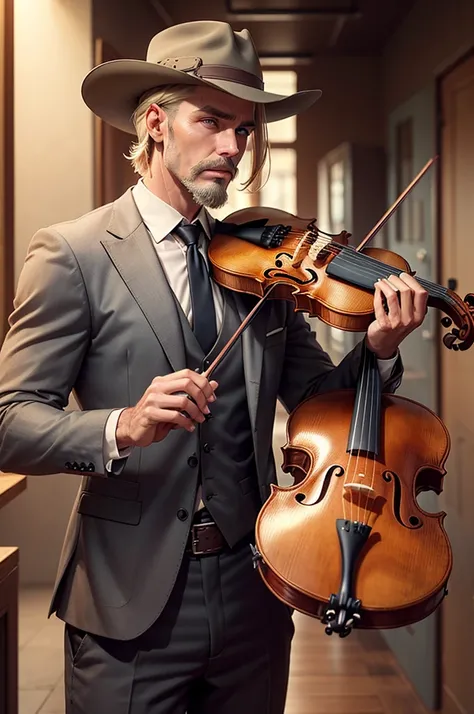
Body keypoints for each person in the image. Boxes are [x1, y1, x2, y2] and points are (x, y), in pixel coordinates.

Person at [0, 19, 428, 714]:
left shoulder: (267, 267)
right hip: (127, 601)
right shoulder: (72, 254)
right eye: (213, 121)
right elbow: (9, 422)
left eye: (246, 130)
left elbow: (320, 399)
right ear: (156, 122)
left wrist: (377, 348)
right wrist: (121, 427)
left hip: (255, 588)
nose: (232, 148)